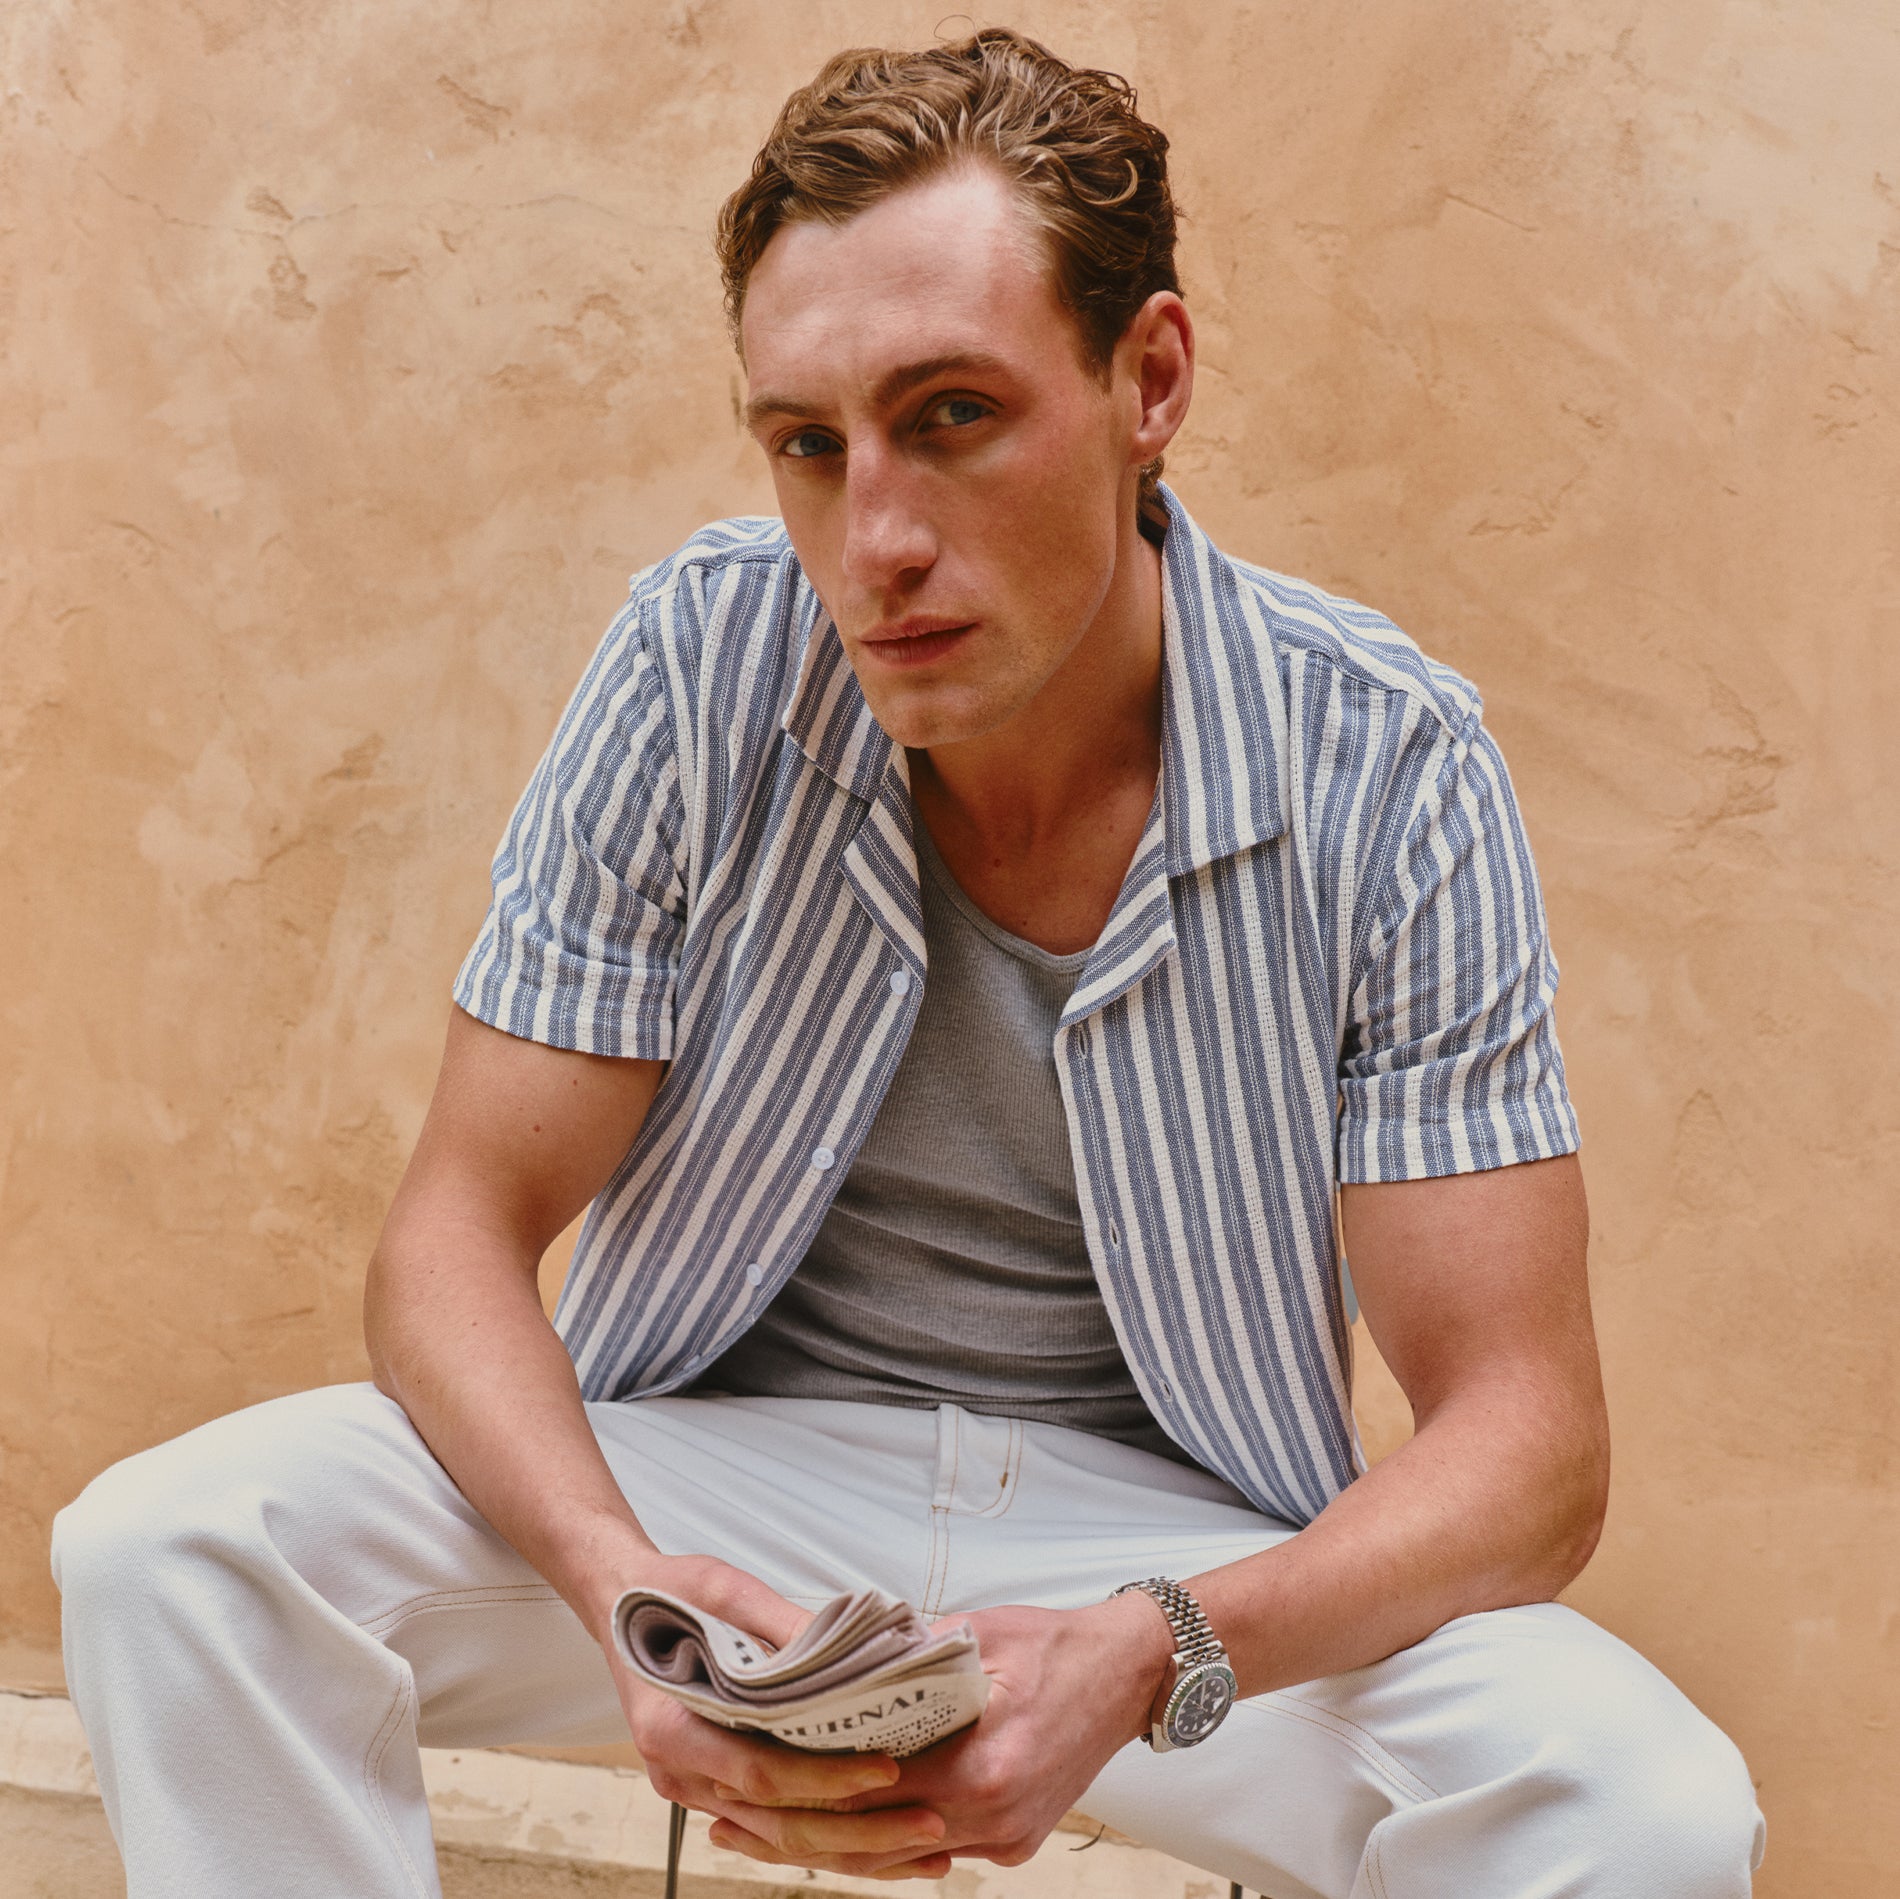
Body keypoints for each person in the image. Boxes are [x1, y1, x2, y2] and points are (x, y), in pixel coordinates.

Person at [52, 28, 1765, 1899]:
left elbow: (1532, 1445)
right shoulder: (701, 666)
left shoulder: (1389, 765)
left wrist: (1157, 1644)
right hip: (724, 1496)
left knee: (1643, 1811)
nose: (874, 538)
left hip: (1170, 1556)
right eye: (810, 442)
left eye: (952, 413)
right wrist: (623, 1585)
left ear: (1151, 380)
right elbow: (454, 1234)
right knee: (171, 1549)